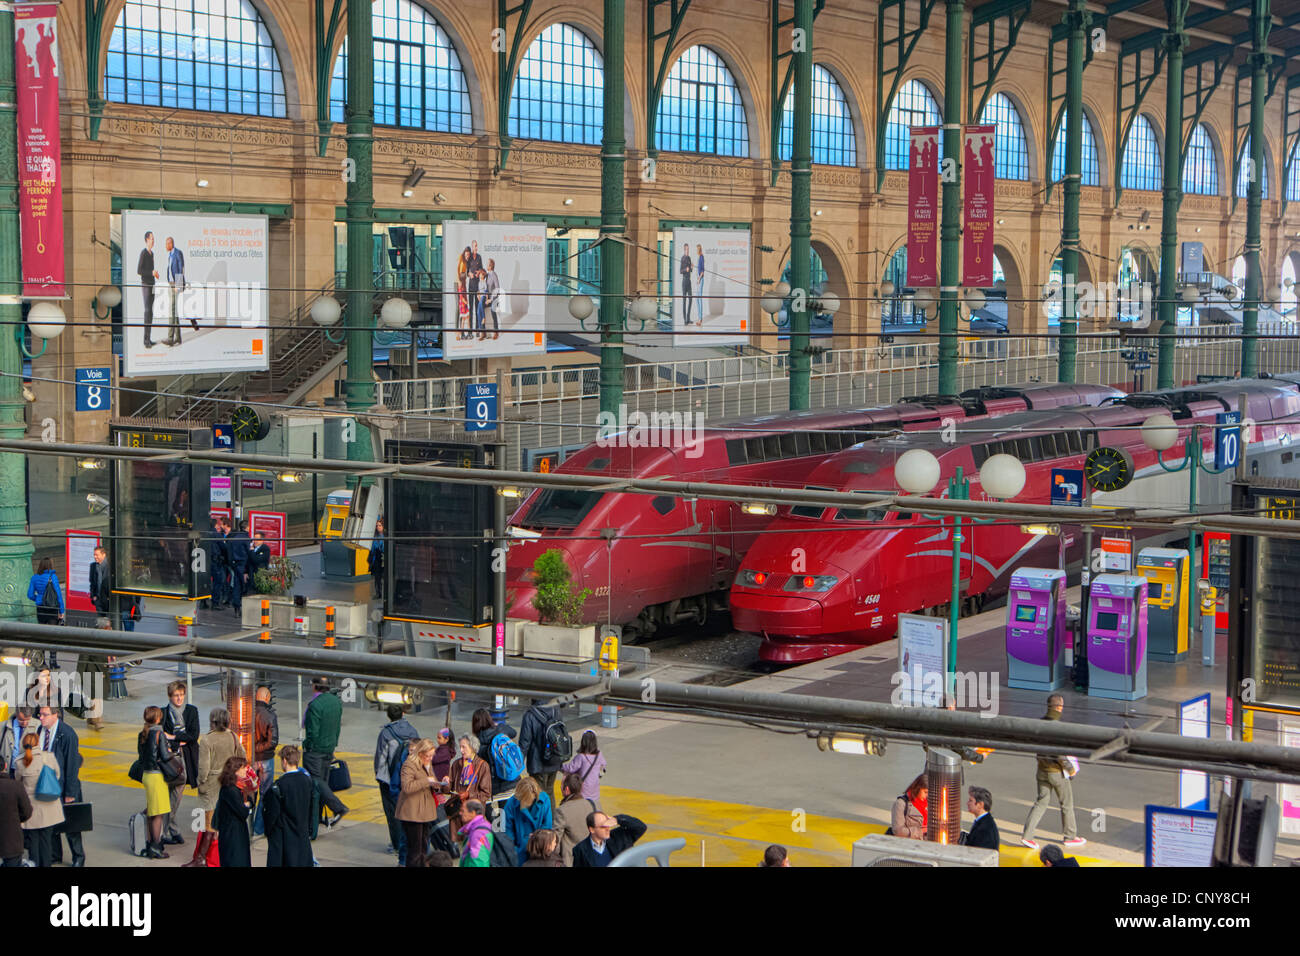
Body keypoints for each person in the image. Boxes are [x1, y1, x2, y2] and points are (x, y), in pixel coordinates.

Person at [1021, 694, 1086, 850]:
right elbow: (1059, 754)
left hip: (1041, 770)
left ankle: (1027, 836)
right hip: (1057, 772)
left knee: (1041, 802)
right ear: (1060, 707)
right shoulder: (1057, 726)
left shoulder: (1040, 723)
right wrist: (1070, 769)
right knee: (1066, 804)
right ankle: (1070, 836)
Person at [188, 707, 245, 867]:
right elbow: (243, 756)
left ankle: (201, 858)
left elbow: (203, 767)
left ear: (212, 721)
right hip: (229, 782)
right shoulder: (233, 736)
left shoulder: (207, 740)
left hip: (212, 784)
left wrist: (201, 784)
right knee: (219, 823)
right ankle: (210, 857)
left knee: (209, 824)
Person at [37, 706, 82, 867]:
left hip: (64, 786)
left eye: (45, 714)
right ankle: (55, 854)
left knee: (71, 825)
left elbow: (72, 764)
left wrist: (70, 792)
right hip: (47, 784)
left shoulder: (67, 734)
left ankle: (78, 856)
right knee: (51, 822)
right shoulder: (40, 731)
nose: (41, 717)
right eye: (40, 714)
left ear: (56, 715)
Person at [373, 703, 418, 860]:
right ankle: (409, 841)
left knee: (393, 812)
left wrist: (379, 776)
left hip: (390, 779)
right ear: (403, 714)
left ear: (388, 715)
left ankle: (397, 844)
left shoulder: (385, 733)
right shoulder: (413, 730)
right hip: (410, 778)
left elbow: (381, 758)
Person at [303, 677, 348, 827]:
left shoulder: (315, 705)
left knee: (316, 781)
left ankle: (338, 807)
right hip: (329, 748)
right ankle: (317, 818)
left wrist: (307, 745)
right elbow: (337, 727)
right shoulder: (336, 702)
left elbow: (312, 733)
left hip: (315, 750)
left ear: (315, 686)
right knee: (323, 782)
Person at [263, 745, 317, 867]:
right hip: (302, 834)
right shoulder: (307, 780)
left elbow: (272, 814)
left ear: (284, 761)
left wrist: (268, 830)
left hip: (285, 837)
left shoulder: (279, 785)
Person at [161, 680, 200, 848]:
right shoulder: (163, 713)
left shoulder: (191, 711)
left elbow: (193, 735)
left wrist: (173, 737)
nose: (179, 698)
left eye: (181, 695)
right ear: (170, 696)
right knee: (169, 794)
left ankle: (166, 828)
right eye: (176, 695)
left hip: (187, 758)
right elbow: (162, 736)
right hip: (169, 758)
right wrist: (177, 739)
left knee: (177, 793)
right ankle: (171, 830)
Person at [15, 732, 61, 866]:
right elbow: (56, 775)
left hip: (31, 808)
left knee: (33, 841)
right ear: (38, 743)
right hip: (48, 804)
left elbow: (18, 782)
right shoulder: (49, 757)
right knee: (46, 839)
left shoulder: (20, 762)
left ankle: (34, 864)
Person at [136, 706, 175, 860]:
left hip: (147, 775)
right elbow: (165, 756)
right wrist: (172, 752)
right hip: (157, 776)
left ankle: (151, 843)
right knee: (158, 813)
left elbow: (141, 755)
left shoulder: (143, 734)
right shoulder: (159, 733)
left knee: (152, 811)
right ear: (158, 718)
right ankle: (156, 846)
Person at [396, 738, 440, 868]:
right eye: (428, 756)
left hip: (425, 811)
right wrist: (426, 780)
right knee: (415, 849)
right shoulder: (409, 765)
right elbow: (407, 787)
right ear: (420, 753)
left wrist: (438, 783)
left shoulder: (427, 764)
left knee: (423, 847)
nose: (430, 759)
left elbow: (432, 781)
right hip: (412, 812)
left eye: (432, 756)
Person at [518, 698, 566, 801]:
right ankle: (551, 817)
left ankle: (541, 817)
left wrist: (518, 765)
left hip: (537, 763)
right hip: (554, 759)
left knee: (538, 794)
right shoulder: (556, 709)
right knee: (549, 791)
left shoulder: (529, 715)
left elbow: (524, 743)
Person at [212, 756, 255, 867]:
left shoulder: (235, 786)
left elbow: (250, 801)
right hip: (232, 835)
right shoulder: (231, 789)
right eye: (244, 767)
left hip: (234, 832)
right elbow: (243, 812)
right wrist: (246, 805)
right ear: (236, 770)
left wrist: (247, 803)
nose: (246, 770)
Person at [503, 775, 552, 866]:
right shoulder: (511, 803)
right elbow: (507, 831)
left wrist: (537, 838)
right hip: (519, 852)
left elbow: (547, 827)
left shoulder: (544, 800)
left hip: (538, 852)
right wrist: (514, 851)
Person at [571, 811, 647, 868]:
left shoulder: (619, 838)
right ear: (592, 830)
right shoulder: (580, 850)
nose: (607, 829)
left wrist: (618, 820)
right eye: (603, 826)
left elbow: (641, 827)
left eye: (608, 825)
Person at [471, 707, 518, 795]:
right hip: (511, 779)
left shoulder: (476, 741)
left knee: (486, 806)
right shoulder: (500, 729)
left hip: (492, 786)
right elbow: (514, 732)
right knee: (505, 808)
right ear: (489, 719)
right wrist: (498, 726)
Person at [554, 771, 597, 866]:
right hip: (590, 857)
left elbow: (556, 840)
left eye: (562, 786)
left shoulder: (562, 811)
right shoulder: (591, 804)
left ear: (567, 789)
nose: (560, 788)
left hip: (571, 860)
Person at [252, 686, 278, 837]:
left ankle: (248, 824)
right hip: (266, 759)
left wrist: (253, 749)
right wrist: (260, 748)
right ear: (267, 697)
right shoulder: (270, 715)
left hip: (252, 758)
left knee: (250, 791)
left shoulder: (248, 712)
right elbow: (273, 741)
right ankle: (258, 827)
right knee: (265, 794)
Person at [444, 734, 492, 808]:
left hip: (473, 811)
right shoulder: (456, 764)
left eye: (464, 747)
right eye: (460, 747)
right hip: (457, 810)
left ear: (472, 748)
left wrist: (469, 795)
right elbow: (447, 790)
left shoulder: (483, 766)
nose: (461, 750)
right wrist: (445, 783)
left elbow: (486, 794)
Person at [0, 754, 31, 866]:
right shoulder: (16, 786)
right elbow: (27, 812)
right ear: (6, 766)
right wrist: (16, 819)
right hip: (12, 840)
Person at [561, 729, 606, 808]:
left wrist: (560, 766)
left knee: (583, 806)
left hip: (583, 789)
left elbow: (571, 768)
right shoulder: (599, 755)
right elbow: (603, 768)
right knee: (593, 806)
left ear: (583, 742)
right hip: (594, 788)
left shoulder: (581, 757)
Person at [164, 236, 191, 345]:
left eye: (167, 244)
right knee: (174, 311)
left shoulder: (178, 253)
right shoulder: (169, 255)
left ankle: (170, 338)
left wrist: (178, 285)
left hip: (176, 284)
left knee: (172, 310)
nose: (166, 246)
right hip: (171, 284)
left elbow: (181, 269)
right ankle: (178, 338)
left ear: (171, 244)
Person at [27, 556, 65, 626]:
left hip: (40, 607)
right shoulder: (53, 577)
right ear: (51, 565)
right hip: (52, 606)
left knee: (41, 629)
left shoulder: (34, 577)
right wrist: (61, 611)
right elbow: (58, 595)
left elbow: (30, 595)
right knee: (52, 630)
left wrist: (39, 598)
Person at [890, 774, 928, 840]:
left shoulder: (930, 803)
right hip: (911, 844)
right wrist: (921, 831)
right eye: (925, 792)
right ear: (918, 788)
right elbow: (898, 831)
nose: (927, 795)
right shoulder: (901, 804)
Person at [138, 230, 159, 348]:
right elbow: (139, 270)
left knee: (150, 312)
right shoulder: (144, 253)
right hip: (146, 284)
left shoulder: (152, 254)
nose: (153, 240)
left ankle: (149, 339)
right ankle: (145, 341)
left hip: (152, 284)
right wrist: (151, 272)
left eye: (153, 238)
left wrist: (154, 274)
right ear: (147, 240)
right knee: (147, 311)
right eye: (151, 238)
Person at [457, 799, 493, 867]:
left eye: (463, 811)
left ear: (472, 813)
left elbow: (479, 862)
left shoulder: (478, 834)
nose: (460, 813)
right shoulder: (483, 825)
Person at [225, 519, 251, 613]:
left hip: (235, 564)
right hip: (244, 564)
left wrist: (232, 563)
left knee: (236, 586)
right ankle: (244, 607)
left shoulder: (234, 538)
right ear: (247, 527)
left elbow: (229, 552)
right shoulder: (246, 538)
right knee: (245, 586)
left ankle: (236, 607)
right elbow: (248, 553)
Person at [964, 786, 1000, 850]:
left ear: (980, 804)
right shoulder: (984, 821)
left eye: (970, 801)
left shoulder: (985, 828)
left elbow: (976, 850)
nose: (967, 803)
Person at [1, 708, 32, 777]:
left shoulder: (37, 725)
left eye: (27, 720)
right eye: (21, 720)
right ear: (16, 715)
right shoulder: (3, 726)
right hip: (7, 770)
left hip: (25, 772)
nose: (24, 723)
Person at [89, 546, 111, 619]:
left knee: (110, 623)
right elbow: (92, 583)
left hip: (109, 601)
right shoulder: (93, 566)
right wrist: (93, 596)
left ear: (103, 555)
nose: (95, 557)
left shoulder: (110, 566)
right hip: (98, 600)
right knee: (101, 623)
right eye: (94, 555)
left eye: (97, 555)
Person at [368, 519, 386, 600]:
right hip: (377, 558)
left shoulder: (384, 536)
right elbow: (372, 548)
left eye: (380, 525)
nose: (378, 527)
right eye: (377, 526)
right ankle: (378, 593)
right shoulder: (376, 536)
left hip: (383, 558)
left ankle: (382, 593)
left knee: (383, 577)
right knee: (377, 578)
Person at [483, 259, 500, 339]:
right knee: (480, 308)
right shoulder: (487, 275)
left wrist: (491, 299)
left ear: (490, 266)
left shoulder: (494, 275)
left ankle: (496, 332)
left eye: (487, 264)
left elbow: (497, 288)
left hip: (494, 298)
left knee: (493, 312)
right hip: (488, 297)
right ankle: (483, 332)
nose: (486, 265)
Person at [679, 243, 693, 324]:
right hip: (684, 281)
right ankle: (685, 320)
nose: (688, 251)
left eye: (688, 249)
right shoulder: (683, 258)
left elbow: (690, 270)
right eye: (686, 249)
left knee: (690, 299)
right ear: (684, 250)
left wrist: (691, 268)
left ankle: (688, 318)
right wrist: (686, 269)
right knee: (684, 301)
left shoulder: (689, 258)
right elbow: (681, 271)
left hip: (689, 281)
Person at [695, 243, 706, 322]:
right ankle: (699, 317)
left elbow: (702, 270)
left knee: (699, 298)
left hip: (701, 279)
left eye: (696, 249)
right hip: (699, 279)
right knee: (697, 298)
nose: (696, 250)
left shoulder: (701, 257)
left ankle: (700, 318)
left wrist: (699, 278)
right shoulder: (699, 257)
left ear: (699, 249)